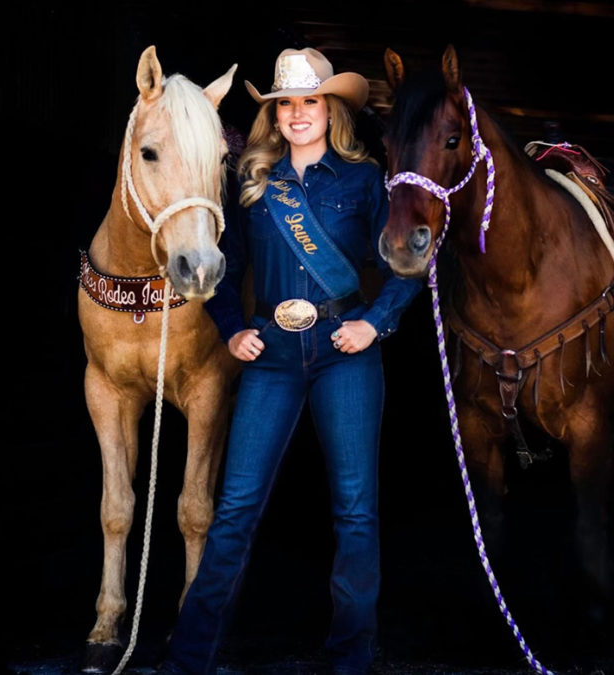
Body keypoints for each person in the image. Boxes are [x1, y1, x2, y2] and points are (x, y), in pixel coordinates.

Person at [158, 48, 422, 675]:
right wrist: (229, 331)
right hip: (272, 355)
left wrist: (373, 323)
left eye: (310, 102)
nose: (299, 114)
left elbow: (408, 267)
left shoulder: (364, 181)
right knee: (236, 509)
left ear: (329, 111)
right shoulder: (250, 181)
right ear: (274, 117)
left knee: (355, 511)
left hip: (343, 354)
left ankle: (350, 660)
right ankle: (187, 660)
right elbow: (224, 275)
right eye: (287, 105)